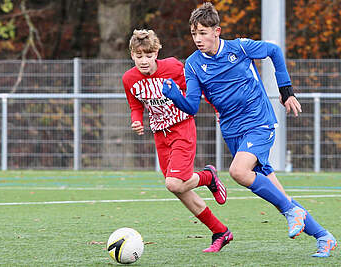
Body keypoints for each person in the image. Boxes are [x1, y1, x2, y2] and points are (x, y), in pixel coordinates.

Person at [162, 2, 337, 258]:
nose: (198, 39)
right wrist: (174, 95)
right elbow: (191, 106)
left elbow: (274, 51)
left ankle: (293, 213)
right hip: (232, 132)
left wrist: (285, 90)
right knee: (280, 196)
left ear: (217, 31)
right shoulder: (192, 64)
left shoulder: (240, 47)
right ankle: (324, 236)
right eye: (194, 34)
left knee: (238, 171)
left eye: (203, 33)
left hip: (258, 121)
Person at [122, 29, 232, 252]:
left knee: (173, 182)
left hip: (182, 127)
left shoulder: (172, 67)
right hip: (160, 135)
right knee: (179, 188)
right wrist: (136, 120)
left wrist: (216, 107)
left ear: (157, 53)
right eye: (139, 56)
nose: (144, 61)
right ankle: (220, 231)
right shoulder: (129, 78)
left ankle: (208, 176)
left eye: (149, 55)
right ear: (132, 55)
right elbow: (135, 105)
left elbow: (198, 85)